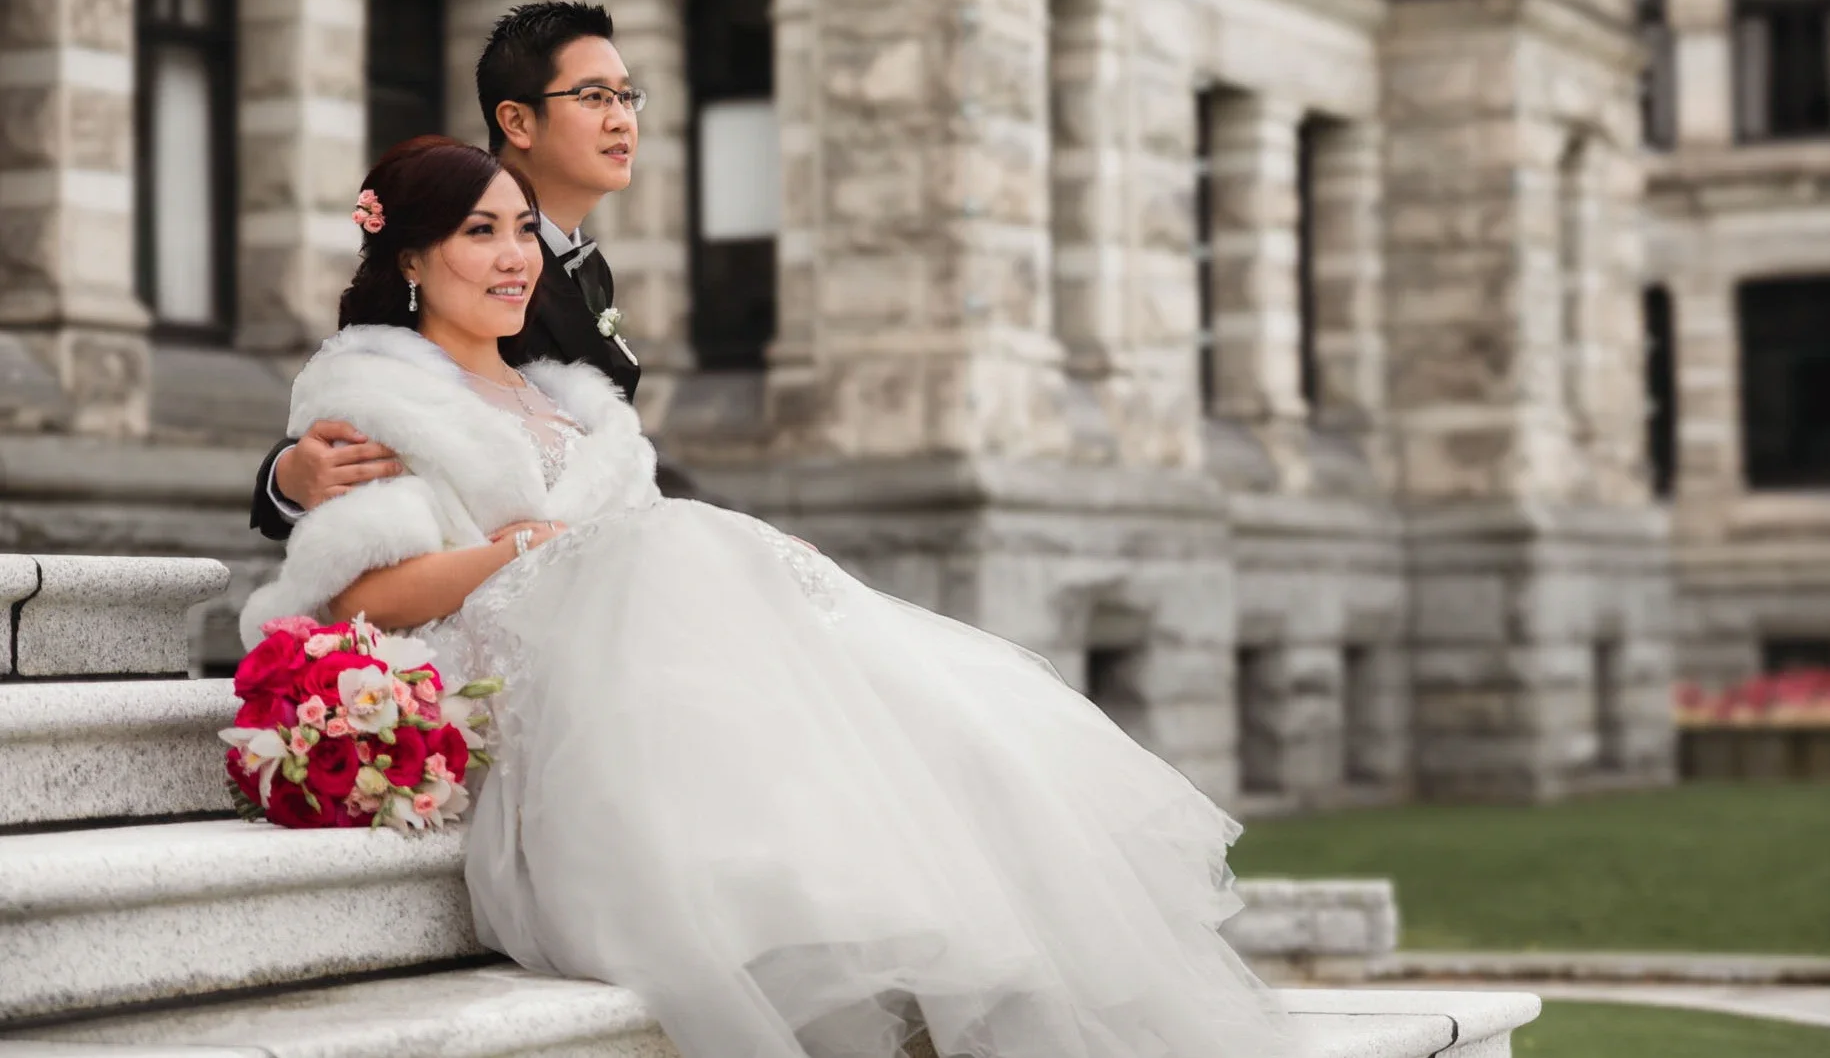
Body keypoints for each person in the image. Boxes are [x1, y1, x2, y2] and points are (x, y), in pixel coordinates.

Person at [241, 136, 1295, 1058]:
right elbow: (363, 599)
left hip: (635, 656)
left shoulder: (574, 404)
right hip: (516, 683)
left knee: (787, 598)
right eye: (481, 232)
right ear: (414, 257)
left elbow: (633, 537)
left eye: (523, 230)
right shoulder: (374, 397)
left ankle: (946, 922)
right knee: (685, 555)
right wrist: (522, 544)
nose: (515, 256)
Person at [247, 1, 643, 540]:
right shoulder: (453, 262)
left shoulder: (583, 266)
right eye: (594, 97)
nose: (622, 118)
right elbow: (371, 396)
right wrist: (286, 475)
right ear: (517, 120)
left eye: (626, 97)